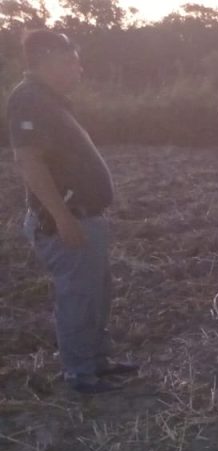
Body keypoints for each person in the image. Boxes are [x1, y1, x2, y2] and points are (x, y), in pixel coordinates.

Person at [7, 30, 138, 395]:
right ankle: (80, 373)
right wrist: (62, 217)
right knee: (78, 296)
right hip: (67, 219)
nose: (79, 68)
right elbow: (28, 161)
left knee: (97, 292)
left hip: (84, 215)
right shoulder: (28, 99)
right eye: (70, 61)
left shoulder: (50, 100)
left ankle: (97, 361)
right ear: (45, 60)